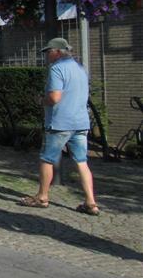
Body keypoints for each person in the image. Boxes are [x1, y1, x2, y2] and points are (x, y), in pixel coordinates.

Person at [19, 38, 99, 215]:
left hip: (60, 123)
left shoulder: (57, 69)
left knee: (47, 159)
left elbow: (55, 97)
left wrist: (41, 100)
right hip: (80, 122)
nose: (47, 56)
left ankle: (42, 196)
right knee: (81, 161)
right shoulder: (80, 69)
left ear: (57, 52)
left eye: (48, 52)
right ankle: (91, 202)